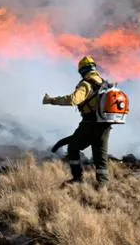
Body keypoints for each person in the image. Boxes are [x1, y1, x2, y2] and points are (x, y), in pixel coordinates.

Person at [43, 55, 124, 188]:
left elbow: (73, 100)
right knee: (100, 157)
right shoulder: (104, 83)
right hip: (105, 125)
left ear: (82, 71)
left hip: (89, 123)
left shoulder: (86, 83)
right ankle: (103, 187)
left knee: (73, 147)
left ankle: (77, 178)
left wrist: (51, 100)